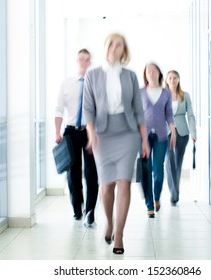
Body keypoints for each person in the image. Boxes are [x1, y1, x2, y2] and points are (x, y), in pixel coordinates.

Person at [83, 33, 149, 255]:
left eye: (119, 44)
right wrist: (91, 134)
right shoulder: (93, 75)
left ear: (124, 51)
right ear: (106, 47)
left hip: (127, 132)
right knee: (107, 184)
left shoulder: (130, 76)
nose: (114, 47)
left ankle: (119, 233)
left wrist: (144, 139)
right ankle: (109, 222)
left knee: (124, 182)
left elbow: (139, 110)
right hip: (102, 134)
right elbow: (88, 109)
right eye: (110, 43)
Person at [54, 49, 99, 227]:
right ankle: (77, 210)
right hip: (71, 132)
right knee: (73, 174)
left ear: (90, 62)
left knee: (92, 174)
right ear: (77, 61)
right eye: (81, 59)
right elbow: (58, 108)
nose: (84, 62)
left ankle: (90, 211)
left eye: (87, 59)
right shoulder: (67, 83)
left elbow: (100, 111)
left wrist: (95, 134)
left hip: (90, 131)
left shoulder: (96, 84)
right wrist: (57, 132)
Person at [140, 63, 176, 218]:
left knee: (158, 172)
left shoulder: (166, 93)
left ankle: (156, 197)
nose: (151, 73)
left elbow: (169, 114)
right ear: (145, 74)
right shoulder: (140, 92)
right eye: (148, 70)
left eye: (154, 70)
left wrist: (173, 131)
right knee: (146, 171)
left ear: (159, 73)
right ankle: (149, 205)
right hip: (143, 137)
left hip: (161, 136)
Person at [164, 70, 197, 206]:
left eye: (175, 78)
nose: (172, 80)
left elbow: (190, 115)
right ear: (166, 80)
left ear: (178, 80)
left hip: (182, 132)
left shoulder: (185, 96)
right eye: (170, 78)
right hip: (166, 132)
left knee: (178, 162)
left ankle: (174, 191)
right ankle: (174, 190)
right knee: (169, 160)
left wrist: (193, 133)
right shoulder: (162, 96)